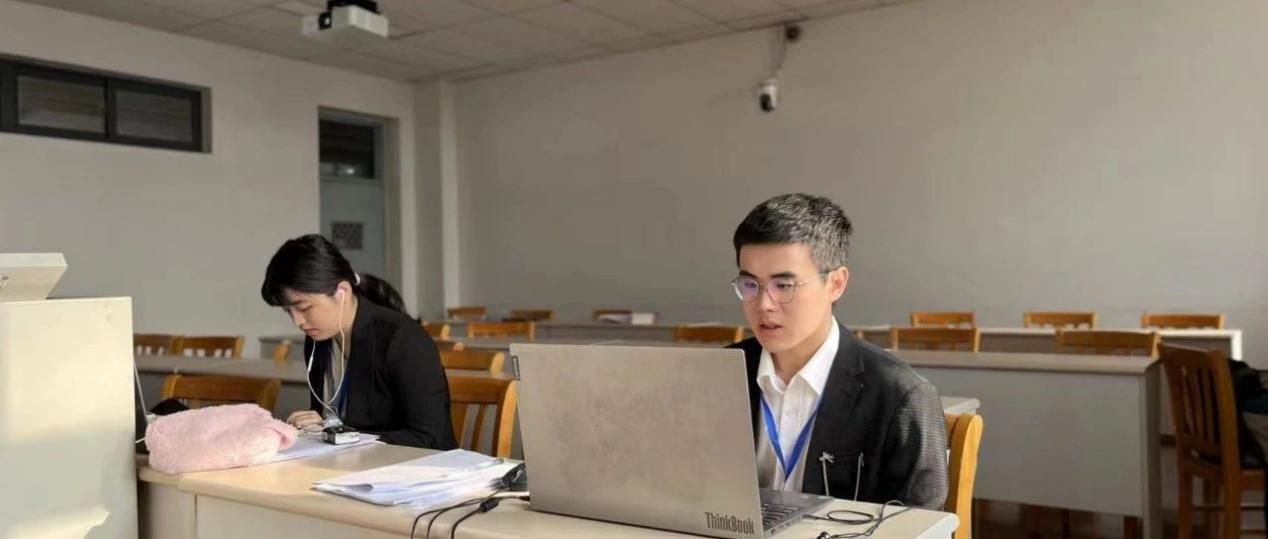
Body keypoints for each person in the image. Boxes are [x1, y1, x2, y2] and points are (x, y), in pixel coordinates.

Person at [727, 193, 948, 509]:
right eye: (750, 285)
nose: (763, 304)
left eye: (783, 285)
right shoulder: (719, 374)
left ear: (835, 284)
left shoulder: (901, 397)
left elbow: (919, 525)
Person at [260, 234, 458, 449]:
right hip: (350, 464)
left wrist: (342, 433)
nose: (298, 321)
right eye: (288, 311)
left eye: (305, 308)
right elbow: (332, 421)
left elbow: (429, 437)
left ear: (342, 292)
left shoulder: (403, 339)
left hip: (413, 466)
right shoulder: (318, 340)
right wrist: (318, 427)